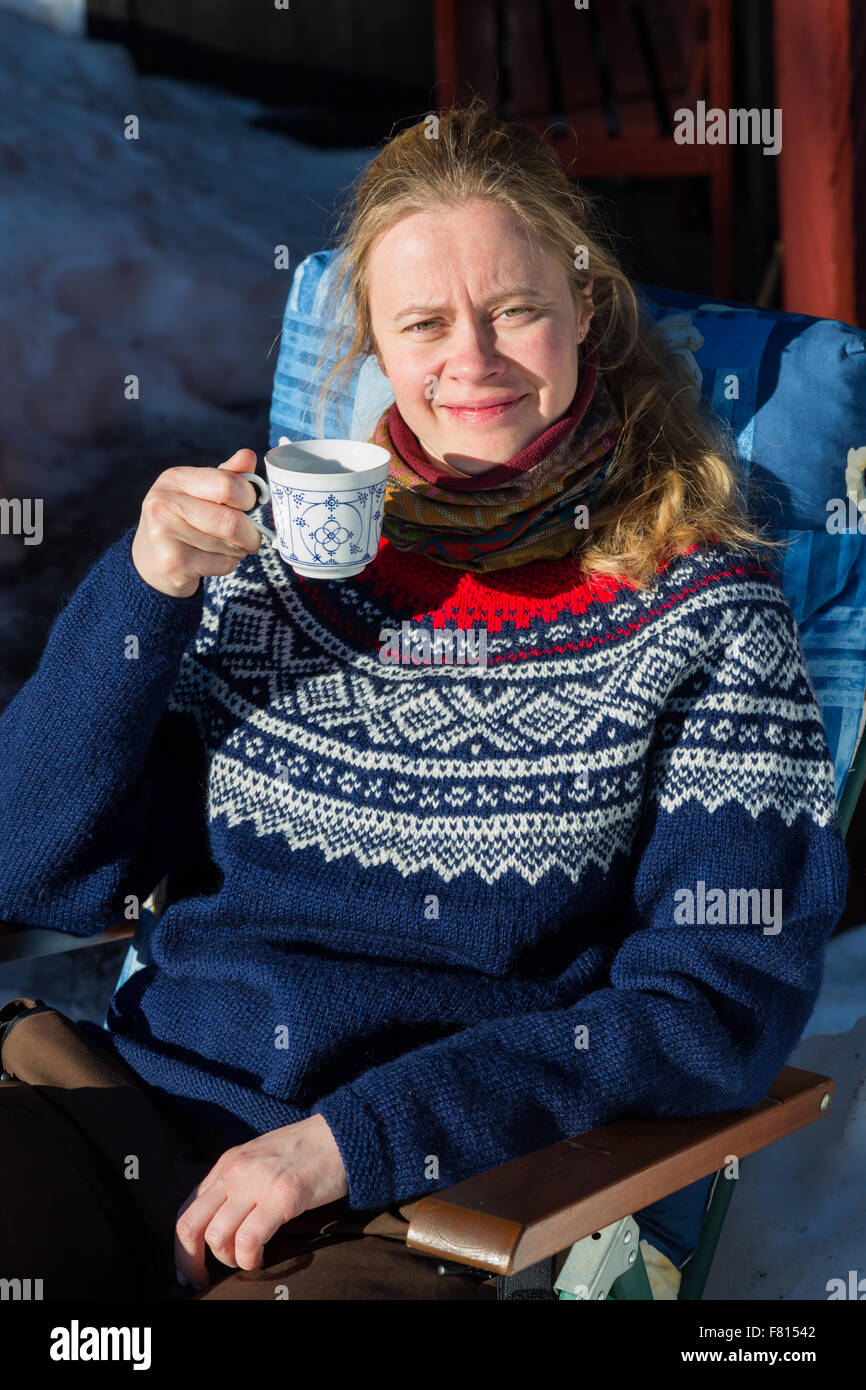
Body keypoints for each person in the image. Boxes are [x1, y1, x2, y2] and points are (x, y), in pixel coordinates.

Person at [0, 101, 849, 1302]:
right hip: (137, 1112)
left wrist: (355, 1137)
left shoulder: (705, 619)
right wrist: (138, 596)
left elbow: (712, 1003)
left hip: (422, 1196)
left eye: (511, 310)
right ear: (373, 347)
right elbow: (28, 864)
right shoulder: (268, 566)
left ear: (582, 310)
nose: (472, 360)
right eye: (422, 322)